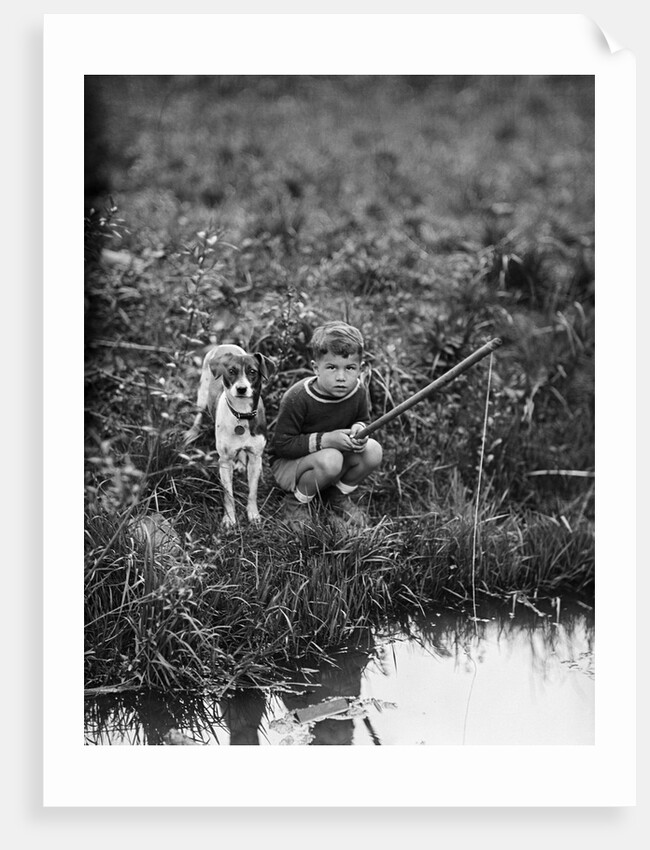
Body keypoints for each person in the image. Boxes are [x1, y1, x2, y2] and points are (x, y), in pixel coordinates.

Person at [269, 321, 383, 526]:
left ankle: (335, 495)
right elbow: (282, 445)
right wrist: (326, 440)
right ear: (316, 368)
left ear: (360, 369)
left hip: (331, 458)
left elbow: (363, 420)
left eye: (350, 368)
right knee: (332, 459)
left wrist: (360, 430)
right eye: (331, 367)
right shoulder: (298, 397)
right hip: (290, 465)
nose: (341, 377)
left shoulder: (358, 392)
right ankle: (295, 502)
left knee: (373, 450)